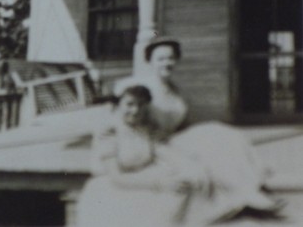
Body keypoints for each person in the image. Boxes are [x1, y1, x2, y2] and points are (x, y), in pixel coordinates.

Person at [114, 36, 283, 218]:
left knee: (222, 134)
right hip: (153, 144)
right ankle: (245, 194)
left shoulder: (175, 90)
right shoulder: (139, 87)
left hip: (172, 139)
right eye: (161, 59)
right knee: (208, 153)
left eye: (171, 58)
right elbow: (122, 119)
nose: (167, 63)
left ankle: (253, 187)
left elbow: (182, 122)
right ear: (150, 61)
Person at [77, 84, 213, 227]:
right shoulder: (110, 132)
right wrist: (158, 184)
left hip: (144, 180)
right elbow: (117, 178)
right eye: (129, 104)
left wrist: (189, 165)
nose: (135, 110)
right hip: (117, 188)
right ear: (118, 105)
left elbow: (162, 150)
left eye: (141, 105)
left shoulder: (145, 128)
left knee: (184, 187)